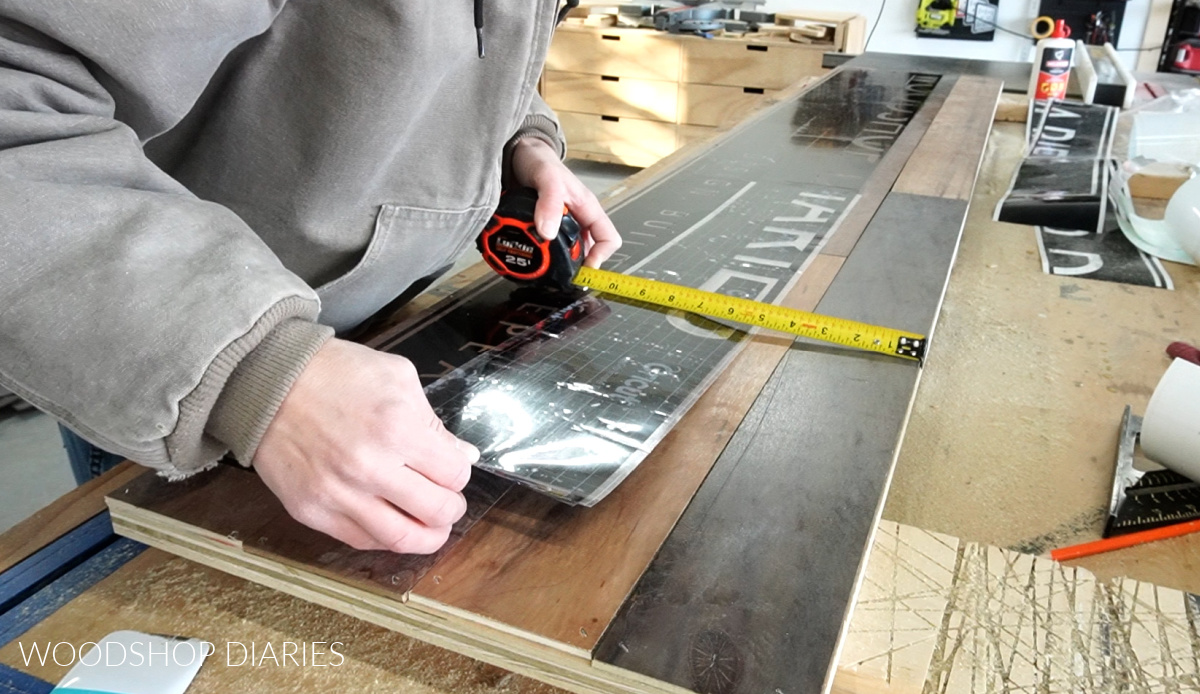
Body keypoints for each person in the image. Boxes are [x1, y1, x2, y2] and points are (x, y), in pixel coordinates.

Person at [0, 1, 620, 555]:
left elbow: (472, 42)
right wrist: (258, 373)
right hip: (169, 362)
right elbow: (18, 102)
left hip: (356, 354)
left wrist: (519, 139)